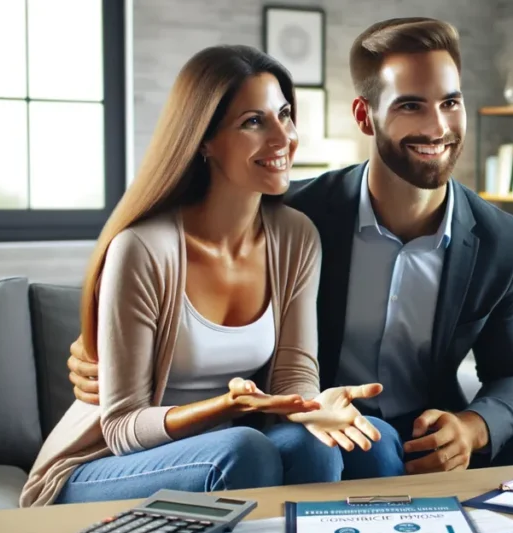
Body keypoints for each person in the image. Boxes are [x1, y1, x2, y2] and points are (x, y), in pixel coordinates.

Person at [68, 17, 513, 478]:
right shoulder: (296, 218)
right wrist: (92, 350)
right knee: (371, 440)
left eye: (450, 102)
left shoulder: (499, 238)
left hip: (430, 429)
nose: (438, 126)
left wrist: (471, 430)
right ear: (365, 116)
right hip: (332, 433)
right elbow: (194, 256)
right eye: (410, 106)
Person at [21, 45, 383, 507]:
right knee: (243, 447)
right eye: (254, 121)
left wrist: (313, 407)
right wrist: (225, 408)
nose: (283, 138)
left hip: (222, 454)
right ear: (204, 140)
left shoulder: (296, 237)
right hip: (100, 464)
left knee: (320, 441)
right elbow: (122, 426)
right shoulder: (143, 249)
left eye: (285, 115)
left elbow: (294, 373)